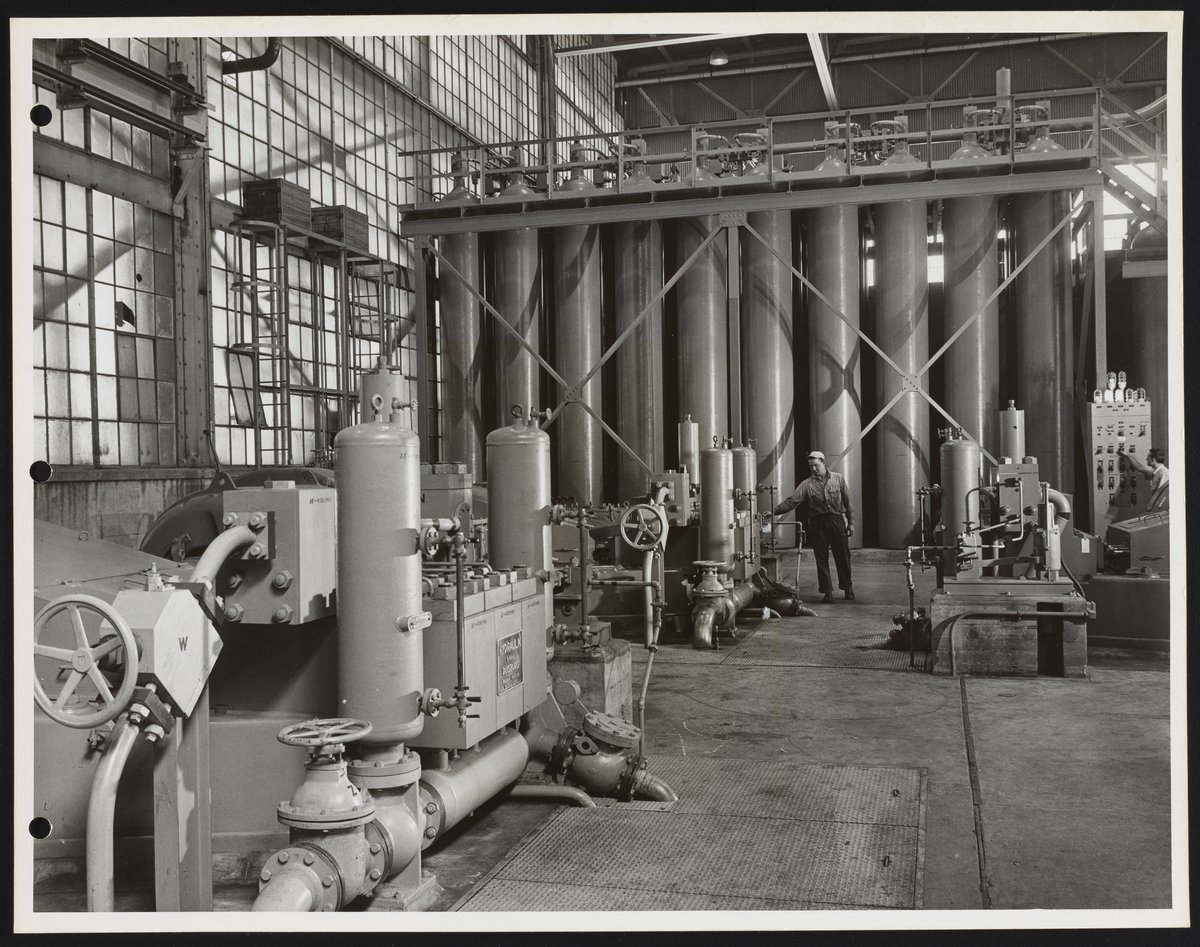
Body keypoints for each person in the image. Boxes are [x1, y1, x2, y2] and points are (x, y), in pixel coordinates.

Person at [774, 450, 854, 603]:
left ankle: (847, 587)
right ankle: (827, 592)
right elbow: (791, 502)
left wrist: (851, 523)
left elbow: (848, 503)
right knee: (821, 558)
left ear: (823, 463)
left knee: (843, 556)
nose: (813, 469)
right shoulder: (807, 484)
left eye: (816, 465)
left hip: (836, 520)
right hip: (818, 524)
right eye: (811, 466)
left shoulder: (838, 479)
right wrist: (773, 511)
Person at [1119, 446, 1169, 512]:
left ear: (1153, 460)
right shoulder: (1158, 471)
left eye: (1148, 457)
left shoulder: (1163, 473)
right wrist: (1127, 455)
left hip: (1159, 510)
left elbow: (1161, 496)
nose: (1146, 459)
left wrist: (1153, 511)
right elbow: (1140, 467)